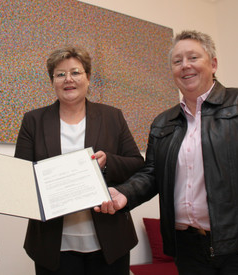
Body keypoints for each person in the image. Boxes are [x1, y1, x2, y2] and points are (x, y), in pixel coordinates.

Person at [96, 30, 238, 275]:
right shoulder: (164, 122)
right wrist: (124, 194)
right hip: (188, 249)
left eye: (193, 57)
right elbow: (152, 174)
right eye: (177, 61)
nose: (185, 66)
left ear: (213, 63)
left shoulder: (237, 105)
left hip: (234, 247)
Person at [14, 45, 144, 275]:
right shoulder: (33, 120)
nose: (68, 80)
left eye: (75, 72)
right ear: (52, 81)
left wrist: (108, 162)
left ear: (88, 77)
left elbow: (136, 163)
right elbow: (21, 177)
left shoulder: (112, 116)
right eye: (60, 74)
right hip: (52, 243)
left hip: (110, 241)